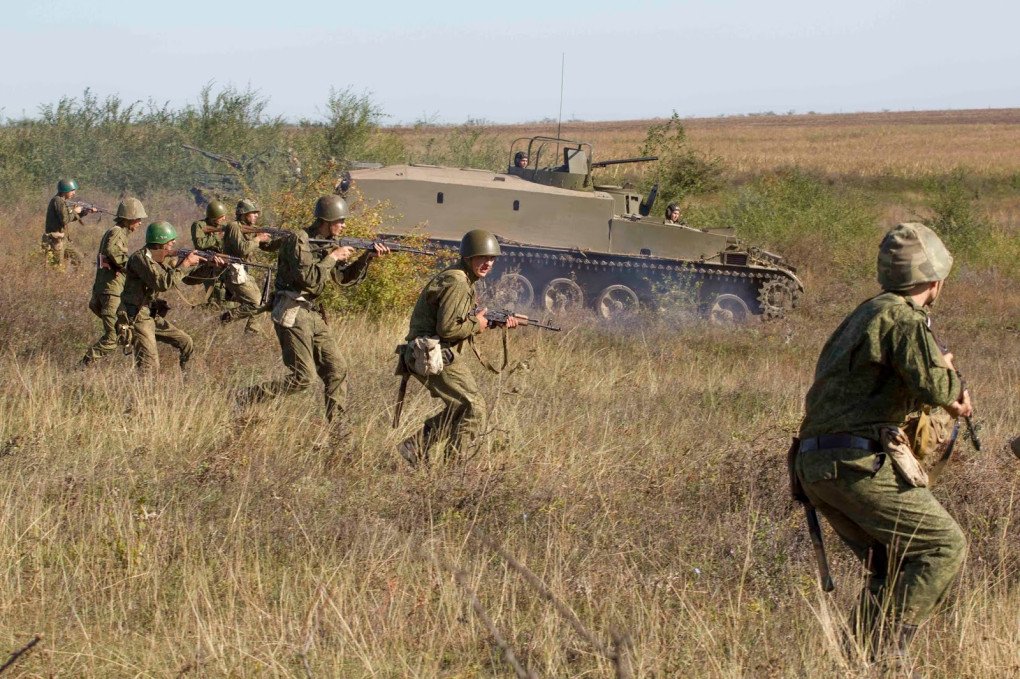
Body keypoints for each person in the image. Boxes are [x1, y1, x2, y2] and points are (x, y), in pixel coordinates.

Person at [793, 223, 972, 666]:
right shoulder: (904, 319)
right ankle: (887, 657)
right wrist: (952, 381)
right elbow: (937, 387)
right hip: (856, 462)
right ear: (935, 280)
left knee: (891, 565)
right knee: (942, 546)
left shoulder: (864, 314)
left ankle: (854, 664)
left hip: (817, 464)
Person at [239, 195, 387, 428]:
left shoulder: (329, 243)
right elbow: (308, 279)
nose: (344, 225)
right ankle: (247, 397)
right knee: (303, 377)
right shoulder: (299, 240)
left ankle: (337, 430)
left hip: (312, 313)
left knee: (337, 369)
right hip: (292, 310)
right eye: (340, 221)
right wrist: (332, 257)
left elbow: (343, 279)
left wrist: (366, 258)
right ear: (327, 220)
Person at [397, 229, 519, 467]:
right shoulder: (458, 282)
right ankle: (454, 470)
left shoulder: (460, 277)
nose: (488, 263)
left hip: (426, 351)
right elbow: (447, 329)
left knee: (461, 406)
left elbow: (452, 320)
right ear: (468, 257)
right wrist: (477, 325)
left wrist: (484, 322)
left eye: (492, 258)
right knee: (475, 407)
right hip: (431, 352)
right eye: (482, 257)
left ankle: (415, 446)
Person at [119, 221, 222, 372]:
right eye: (170, 240)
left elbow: (188, 279)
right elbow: (162, 283)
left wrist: (210, 267)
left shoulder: (161, 259)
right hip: (137, 316)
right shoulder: (140, 258)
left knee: (186, 342)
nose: (174, 242)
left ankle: (187, 377)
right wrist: (186, 263)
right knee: (149, 367)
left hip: (150, 315)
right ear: (160, 241)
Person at [80, 198, 147, 367]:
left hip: (108, 290)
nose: (140, 223)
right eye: (138, 219)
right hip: (111, 293)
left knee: (125, 332)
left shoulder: (117, 232)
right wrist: (132, 267)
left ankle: (142, 368)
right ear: (129, 218)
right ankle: (81, 367)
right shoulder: (117, 232)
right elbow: (112, 252)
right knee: (112, 338)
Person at [219, 199, 278, 332]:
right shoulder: (234, 226)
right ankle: (226, 318)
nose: (256, 215)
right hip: (233, 272)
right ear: (244, 213)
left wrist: (282, 241)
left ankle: (252, 332)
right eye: (253, 213)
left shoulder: (251, 229)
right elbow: (242, 249)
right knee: (256, 303)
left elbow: (268, 247)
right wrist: (258, 238)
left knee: (262, 302)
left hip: (243, 272)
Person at [184, 200, 229, 307]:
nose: (224, 218)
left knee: (228, 296)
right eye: (221, 216)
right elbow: (200, 244)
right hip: (208, 265)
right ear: (214, 216)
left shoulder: (222, 227)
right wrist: (217, 236)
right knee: (216, 297)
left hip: (222, 263)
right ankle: (200, 310)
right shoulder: (199, 225)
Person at [43, 178, 95, 268]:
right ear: (65, 190)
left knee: (79, 260)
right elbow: (65, 220)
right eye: (72, 190)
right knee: (56, 268)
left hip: (63, 239)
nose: (74, 193)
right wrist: (75, 211)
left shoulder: (62, 201)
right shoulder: (58, 201)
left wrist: (83, 212)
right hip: (55, 240)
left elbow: (68, 218)